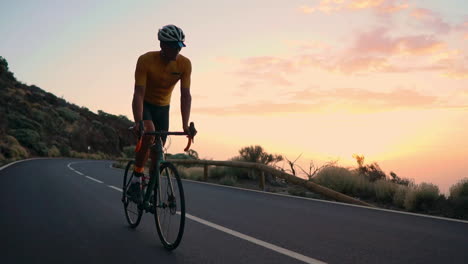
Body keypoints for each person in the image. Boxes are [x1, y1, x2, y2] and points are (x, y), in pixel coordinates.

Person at [127, 24, 192, 202]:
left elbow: (185, 96)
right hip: (146, 104)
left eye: (180, 46)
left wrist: (185, 125)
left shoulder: (185, 64)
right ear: (163, 45)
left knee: (158, 152)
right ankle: (136, 179)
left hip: (163, 108)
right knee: (148, 134)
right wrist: (138, 121)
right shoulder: (146, 60)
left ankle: (153, 185)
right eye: (174, 46)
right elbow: (138, 93)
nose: (178, 50)